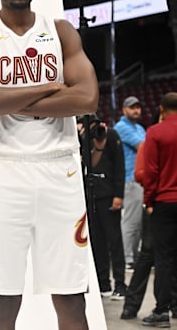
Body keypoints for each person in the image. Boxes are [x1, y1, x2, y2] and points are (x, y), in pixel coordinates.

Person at [0, 0, 98, 329]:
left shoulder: (60, 30)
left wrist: (11, 100)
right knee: (4, 297)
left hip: (60, 171)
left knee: (71, 296)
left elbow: (86, 97)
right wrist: (52, 89)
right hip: (5, 172)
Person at [77, 115, 126, 300]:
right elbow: (85, 164)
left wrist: (118, 195)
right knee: (97, 242)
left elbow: (120, 166)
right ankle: (103, 283)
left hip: (109, 195)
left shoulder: (111, 135)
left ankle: (120, 284)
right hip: (91, 196)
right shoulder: (83, 137)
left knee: (115, 241)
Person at [140, 92, 177, 327]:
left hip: (165, 202)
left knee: (163, 259)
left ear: (161, 109)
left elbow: (151, 172)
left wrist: (148, 200)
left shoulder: (155, 132)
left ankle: (162, 311)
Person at [113, 95, 146, 269]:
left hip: (141, 179)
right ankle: (127, 259)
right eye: (132, 107)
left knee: (139, 222)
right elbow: (143, 147)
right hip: (130, 179)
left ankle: (134, 256)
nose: (136, 110)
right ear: (124, 110)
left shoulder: (139, 128)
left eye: (138, 107)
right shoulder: (121, 127)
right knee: (130, 221)